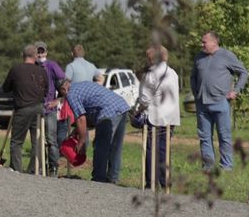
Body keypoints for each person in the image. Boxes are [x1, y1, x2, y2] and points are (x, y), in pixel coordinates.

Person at [191, 31, 249, 171]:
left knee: (224, 136)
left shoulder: (226, 55)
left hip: (221, 102)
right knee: (205, 137)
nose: (202, 44)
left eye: (204, 42)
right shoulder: (199, 57)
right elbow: (193, 77)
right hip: (202, 104)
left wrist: (236, 91)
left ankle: (226, 166)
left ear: (214, 42)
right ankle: (208, 166)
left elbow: (243, 72)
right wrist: (196, 93)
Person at [58, 79, 130, 184]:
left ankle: (98, 179)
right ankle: (113, 178)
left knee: (101, 146)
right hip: (122, 106)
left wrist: (81, 141)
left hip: (109, 112)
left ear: (63, 89)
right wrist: (77, 130)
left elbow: (81, 118)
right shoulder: (82, 84)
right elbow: (90, 111)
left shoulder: (71, 94)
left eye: (62, 94)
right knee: (115, 147)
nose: (64, 97)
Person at [138, 45, 180, 188]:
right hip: (171, 116)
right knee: (164, 149)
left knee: (151, 149)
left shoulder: (151, 74)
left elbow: (144, 98)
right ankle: (165, 180)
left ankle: (151, 181)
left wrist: (138, 110)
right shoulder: (173, 73)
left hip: (155, 116)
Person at [2, 45, 48, 173]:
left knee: (17, 141)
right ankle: (34, 169)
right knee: (37, 141)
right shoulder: (42, 71)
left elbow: (6, 88)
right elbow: (47, 91)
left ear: (22, 55)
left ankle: (16, 170)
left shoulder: (16, 70)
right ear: (35, 56)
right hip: (39, 108)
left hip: (23, 108)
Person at [34, 41, 65, 177]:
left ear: (46, 52)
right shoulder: (31, 66)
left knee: (51, 140)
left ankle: (53, 168)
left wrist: (57, 101)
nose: (40, 54)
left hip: (49, 110)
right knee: (37, 141)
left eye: (42, 51)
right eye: (38, 52)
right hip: (35, 109)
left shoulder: (52, 66)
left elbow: (64, 87)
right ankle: (39, 167)